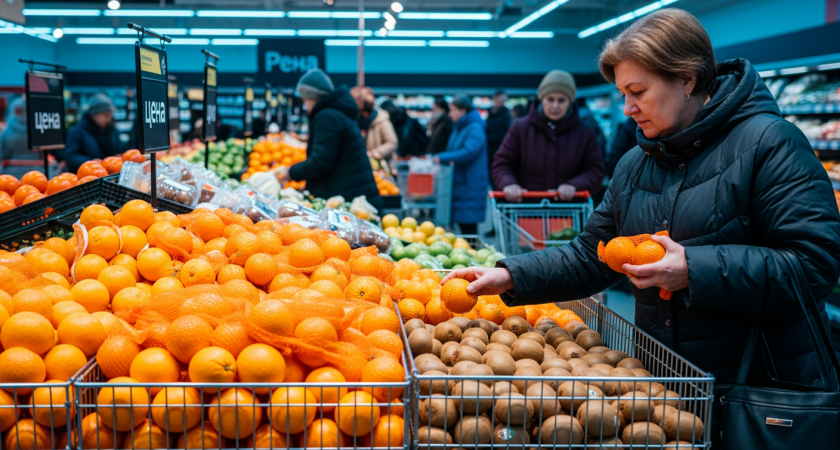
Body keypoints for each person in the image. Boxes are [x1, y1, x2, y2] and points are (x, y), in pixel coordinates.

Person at [443, 8, 840, 436]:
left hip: (755, 388)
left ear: (687, 79)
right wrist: (509, 274)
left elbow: (814, 263)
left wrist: (694, 269)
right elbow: (589, 256)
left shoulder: (770, 144)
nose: (628, 108)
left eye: (638, 91)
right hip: (665, 383)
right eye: (622, 94)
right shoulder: (636, 164)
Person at [491, 70, 605, 202]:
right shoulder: (520, 128)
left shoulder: (585, 133)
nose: (555, 106)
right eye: (550, 99)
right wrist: (509, 184)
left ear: (570, 102)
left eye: (561, 100)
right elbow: (502, 163)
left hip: (568, 212)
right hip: (526, 210)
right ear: (541, 99)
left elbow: (596, 169)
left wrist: (574, 185)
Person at [279, 69, 383, 212]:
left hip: (352, 202)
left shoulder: (327, 117)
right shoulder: (337, 113)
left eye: (304, 100)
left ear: (313, 97)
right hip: (353, 193)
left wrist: (291, 172)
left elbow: (320, 162)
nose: (304, 106)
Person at [434, 95, 488, 235]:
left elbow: (469, 152)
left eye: (452, 110)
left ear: (462, 110)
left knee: (469, 229)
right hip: (460, 183)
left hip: (470, 184)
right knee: (462, 230)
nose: (450, 114)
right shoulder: (460, 127)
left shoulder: (474, 127)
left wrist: (442, 158)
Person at [62, 94, 125, 173]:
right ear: (95, 115)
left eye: (110, 115)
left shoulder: (112, 130)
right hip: (89, 177)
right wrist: (91, 162)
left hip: (111, 175)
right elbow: (70, 156)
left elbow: (119, 149)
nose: (109, 119)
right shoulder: (78, 131)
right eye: (106, 115)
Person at [351, 86, 398, 165]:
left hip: (381, 167)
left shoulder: (381, 119)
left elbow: (392, 143)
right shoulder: (355, 120)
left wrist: (374, 153)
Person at [485, 90, 512, 178]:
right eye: (498, 99)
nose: (500, 102)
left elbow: (507, 133)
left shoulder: (506, 115)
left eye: (502, 100)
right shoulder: (490, 112)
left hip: (500, 149)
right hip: (489, 150)